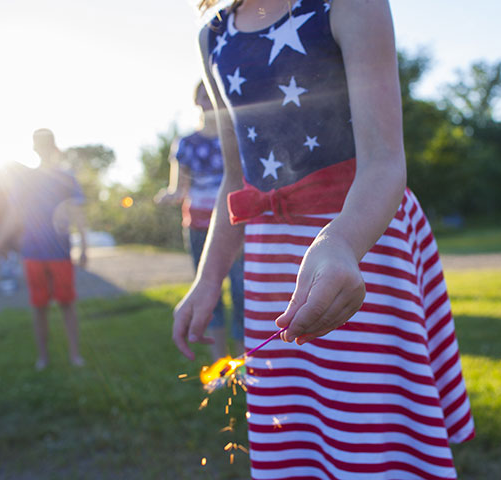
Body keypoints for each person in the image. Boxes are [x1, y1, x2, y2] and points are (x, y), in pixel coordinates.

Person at [172, 1, 474, 478]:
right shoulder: (213, 34)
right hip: (274, 257)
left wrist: (343, 243)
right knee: (296, 424)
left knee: (370, 423)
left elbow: (384, 162)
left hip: (363, 236)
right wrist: (208, 278)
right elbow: (237, 179)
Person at [155, 82, 244, 360]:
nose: (207, 100)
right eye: (202, 95)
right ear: (196, 101)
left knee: (242, 292)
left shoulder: (236, 136)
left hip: (235, 223)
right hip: (197, 226)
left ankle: (243, 363)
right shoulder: (186, 143)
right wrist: (168, 196)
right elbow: (179, 187)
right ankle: (220, 364)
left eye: (212, 94)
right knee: (209, 292)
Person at [0, 129, 88, 370]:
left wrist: (84, 246)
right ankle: (43, 358)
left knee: (67, 305)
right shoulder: (25, 180)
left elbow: (77, 213)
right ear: (34, 148)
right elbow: (13, 215)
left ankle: (75, 355)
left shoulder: (66, 177)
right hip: (32, 252)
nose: (42, 148)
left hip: (60, 252)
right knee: (39, 307)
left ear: (54, 147)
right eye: (38, 144)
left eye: (46, 144)